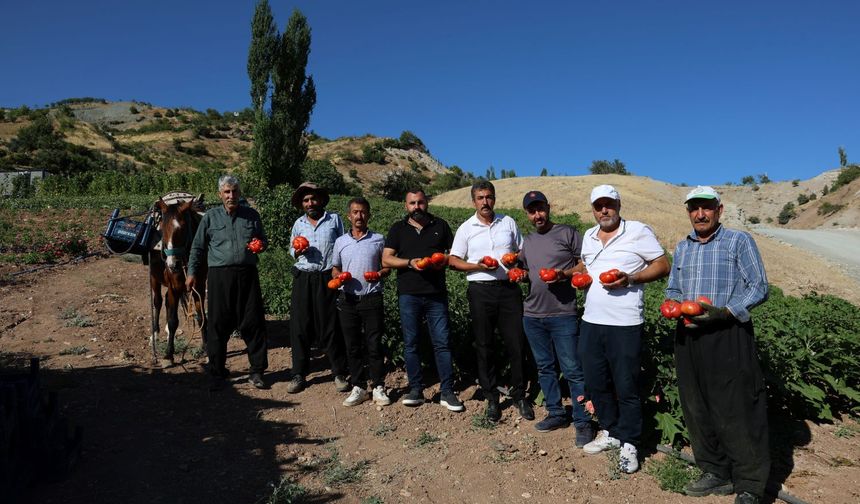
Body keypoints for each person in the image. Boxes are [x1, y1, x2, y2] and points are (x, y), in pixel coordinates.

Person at [667, 186, 769, 504]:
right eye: (694, 208)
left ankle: (750, 483)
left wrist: (725, 312)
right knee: (696, 406)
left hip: (727, 333)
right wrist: (671, 303)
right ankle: (715, 470)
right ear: (688, 212)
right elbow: (673, 287)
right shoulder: (683, 248)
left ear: (719, 210)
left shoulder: (738, 241)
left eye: (706, 208)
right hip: (688, 334)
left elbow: (759, 286)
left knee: (737, 407)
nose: (700, 214)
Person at [577, 184, 669, 474]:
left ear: (618, 205)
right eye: (598, 206)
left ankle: (630, 441)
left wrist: (630, 279)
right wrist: (576, 277)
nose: (604, 210)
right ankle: (611, 430)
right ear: (593, 209)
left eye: (609, 204)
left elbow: (662, 265)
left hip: (625, 323)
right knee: (596, 380)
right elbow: (584, 265)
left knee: (626, 384)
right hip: (591, 320)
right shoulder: (589, 236)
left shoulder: (638, 231)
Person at [448, 181, 534, 422]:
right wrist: (478, 265)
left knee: (516, 343)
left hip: (508, 289)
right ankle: (492, 397)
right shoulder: (467, 227)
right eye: (480, 197)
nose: (485, 201)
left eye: (488, 197)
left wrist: (514, 262)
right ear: (473, 201)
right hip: (480, 290)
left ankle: (519, 395)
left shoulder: (508, 222)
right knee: (484, 345)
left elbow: (522, 252)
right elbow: (454, 260)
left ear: (494, 198)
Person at [515, 190, 593, 447]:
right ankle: (556, 413)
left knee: (572, 369)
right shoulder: (527, 241)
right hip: (533, 314)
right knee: (545, 367)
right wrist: (520, 275)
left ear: (549, 208)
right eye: (531, 211)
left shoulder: (568, 233)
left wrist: (563, 274)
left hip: (563, 313)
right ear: (527, 214)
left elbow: (586, 264)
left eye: (540, 209)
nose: (537, 215)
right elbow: (527, 271)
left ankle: (583, 422)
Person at [381, 188, 464, 412]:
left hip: (436, 293)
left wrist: (441, 260)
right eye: (412, 203)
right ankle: (416, 389)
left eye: (420, 202)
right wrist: (410, 263)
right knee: (411, 343)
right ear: (405, 205)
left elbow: (454, 256)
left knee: (442, 342)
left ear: (426, 203)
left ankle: (447, 391)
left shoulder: (441, 226)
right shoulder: (398, 229)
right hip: (409, 294)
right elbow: (386, 259)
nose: (416, 207)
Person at [186, 175, 269, 391]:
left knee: (253, 322)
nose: (231, 195)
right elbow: (197, 248)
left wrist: (260, 245)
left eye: (234, 191)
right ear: (220, 194)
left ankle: (257, 371)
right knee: (217, 323)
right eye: (227, 192)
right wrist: (192, 273)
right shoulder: (211, 218)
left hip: (247, 274)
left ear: (239, 193)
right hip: (219, 277)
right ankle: (217, 370)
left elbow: (263, 240)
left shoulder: (251, 216)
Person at [285, 182, 349, 394]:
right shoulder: (298, 223)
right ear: (302, 204)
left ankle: (338, 372)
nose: (310, 203)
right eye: (305, 200)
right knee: (300, 326)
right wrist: (298, 250)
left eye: (313, 199)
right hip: (303, 277)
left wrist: (339, 270)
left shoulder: (334, 220)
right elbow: (290, 249)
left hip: (327, 276)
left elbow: (342, 244)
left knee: (330, 324)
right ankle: (298, 374)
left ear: (320, 200)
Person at [331, 197, 392, 407]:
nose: (359, 216)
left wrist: (379, 274)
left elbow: (387, 267)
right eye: (355, 212)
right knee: (352, 345)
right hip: (347, 299)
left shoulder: (378, 239)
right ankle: (358, 386)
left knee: (374, 344)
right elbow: (335, 268)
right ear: (349, 216)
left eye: (363, 212)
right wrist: (338, 277)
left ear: (369, 215)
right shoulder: (340, 241)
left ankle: (378, 386)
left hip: (372, 297)